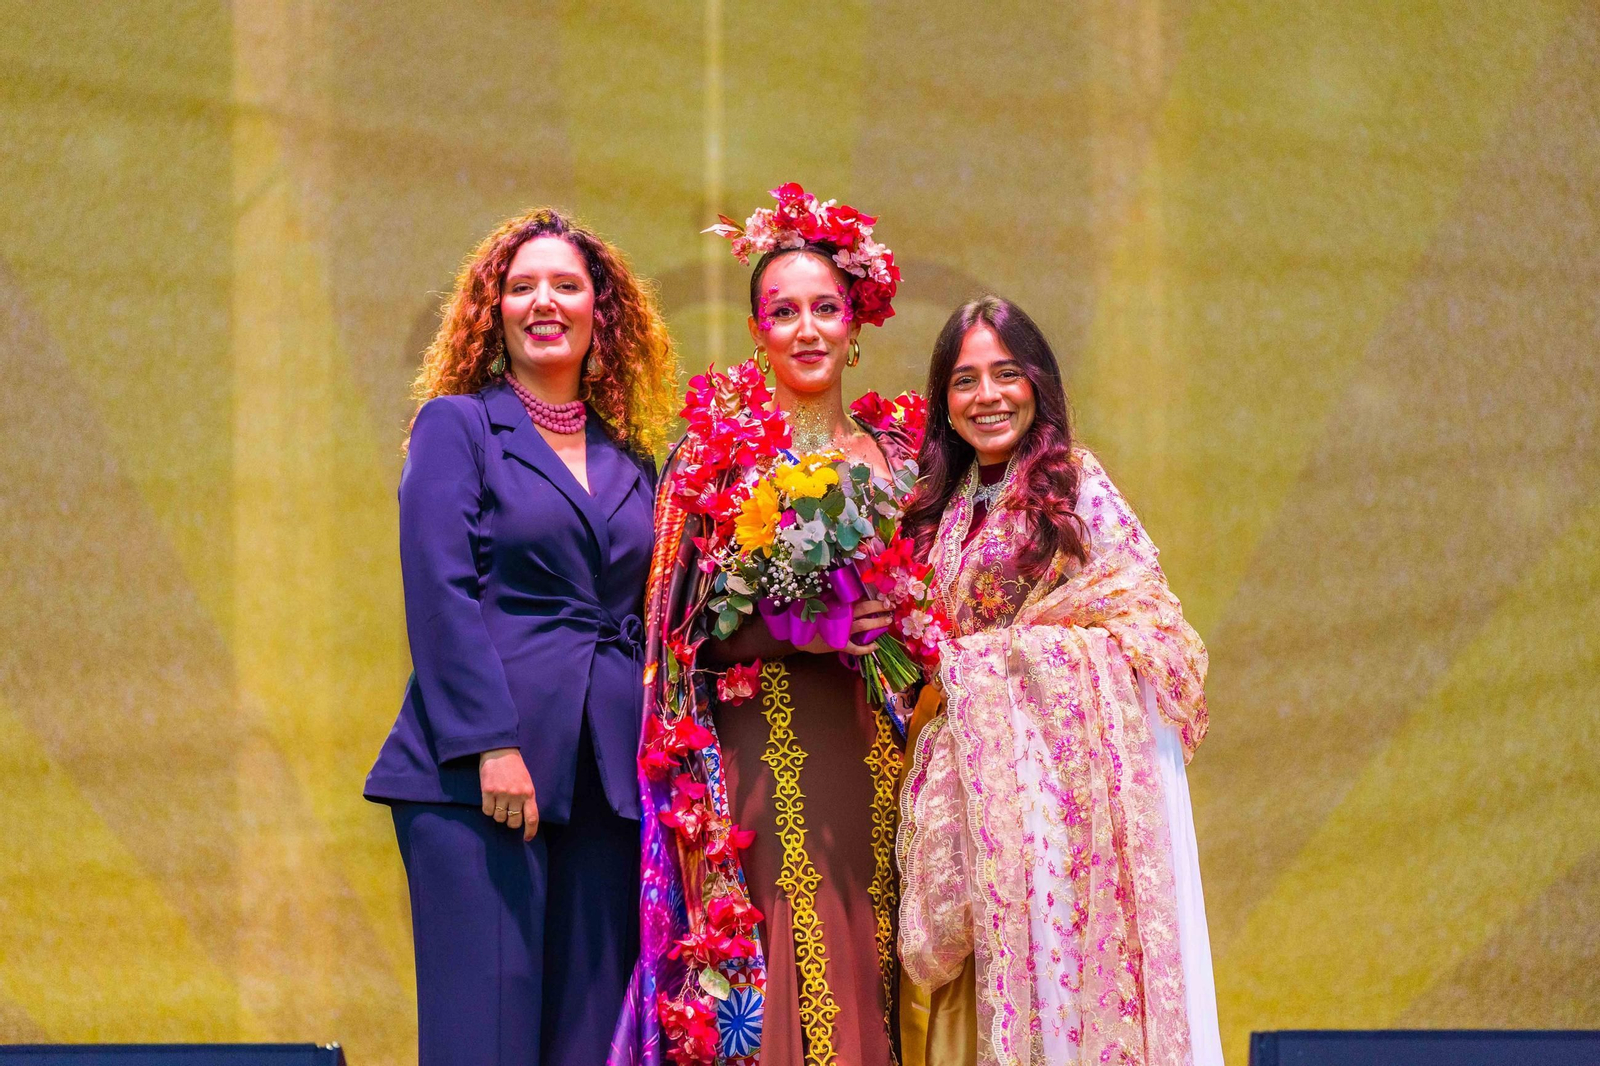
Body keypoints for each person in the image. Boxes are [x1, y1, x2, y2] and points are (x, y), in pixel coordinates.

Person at [364, 207, 676, 1066]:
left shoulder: (632, 460)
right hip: (476, 781)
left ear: (600, 311)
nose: (545, 301)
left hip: (608, 786)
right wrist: (491, 744)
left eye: (566, 285)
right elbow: (439, 592)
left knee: (589, 1048)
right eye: (522, 285)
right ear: (492, 310)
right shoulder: (456, 427)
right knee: (485, 1044)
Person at [614, 184, 912, 1066]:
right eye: (784, 311)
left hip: (892, 753)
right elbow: (677, 633)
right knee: (794, 948)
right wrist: (805, 623)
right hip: (767, 747)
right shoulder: (714, 457)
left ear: (857, 326)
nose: (808, 329)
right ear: (757, 331)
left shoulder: (902, 459)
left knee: (885, 955)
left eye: (827, 308)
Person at [896, 295, 1225, 1066]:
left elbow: (1153, 629)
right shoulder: (938, 507)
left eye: (1006, 374)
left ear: (1038, 384)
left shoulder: (1073, 486)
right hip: (962, 796)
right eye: (965, 380)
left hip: (1054, 814)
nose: (987, 397)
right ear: (943, 400)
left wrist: (992, 666)